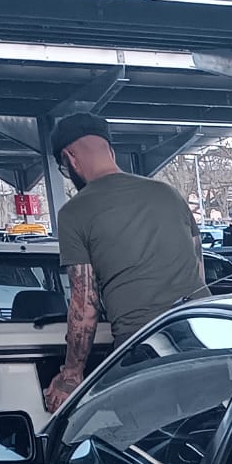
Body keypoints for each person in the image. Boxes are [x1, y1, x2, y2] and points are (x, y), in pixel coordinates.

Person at [44, 112, 206, 411]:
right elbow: (198, 270)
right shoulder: (168, 193)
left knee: (151, 442)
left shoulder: (75, 212)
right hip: (204, 332)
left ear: (70, 159)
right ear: (111, 151)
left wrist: (71, 374)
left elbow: (84, 306)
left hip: (143, 345)